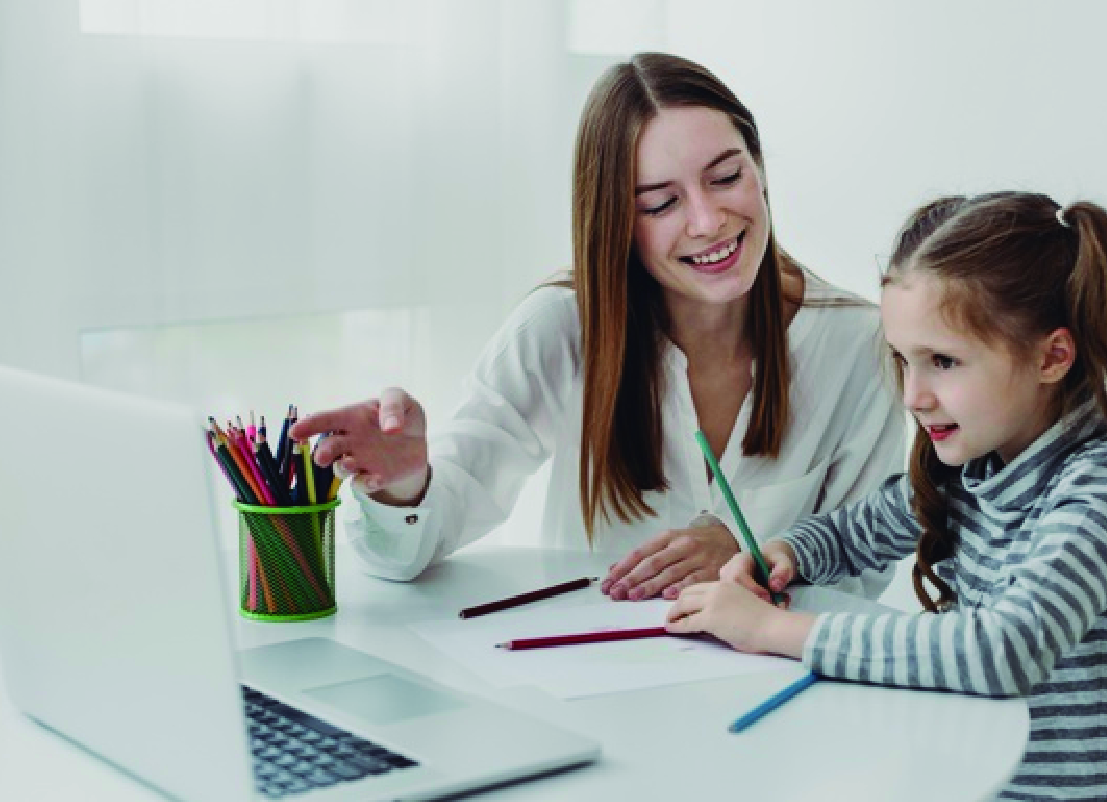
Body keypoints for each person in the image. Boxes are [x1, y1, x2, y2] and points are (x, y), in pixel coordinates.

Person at [665, 191, 1107, 800]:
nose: (913, 395)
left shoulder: (1106, 487)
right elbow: (853, 532)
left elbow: (1004, 649)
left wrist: (777, 631)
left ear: (1051, 356)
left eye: (943, 362)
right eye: (903, 360)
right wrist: (785, 553)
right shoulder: (971, 465)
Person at [290, 53, 905, 602]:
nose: (708, 219)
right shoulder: (561, 325)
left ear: (760, 168)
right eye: (660, 203)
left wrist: (757, 561)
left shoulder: (859, 345)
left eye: (725, 177)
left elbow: (863, 576)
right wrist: (403, 486)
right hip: (594, 687)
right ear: (616, 220)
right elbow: (422, 537)